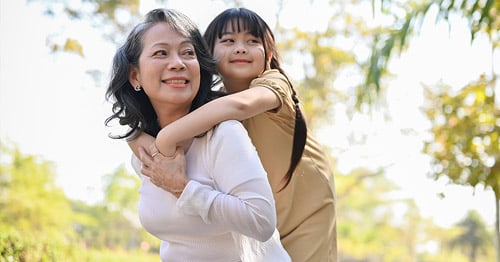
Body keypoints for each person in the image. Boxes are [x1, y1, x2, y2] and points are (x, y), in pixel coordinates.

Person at [130, 7, 337, 261]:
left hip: (307, 207)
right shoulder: (210, 107)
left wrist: (165, 139)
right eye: (228, 41)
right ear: (208, 54)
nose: (241, 48)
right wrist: (135, 136)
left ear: (269, 54)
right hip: (269, 205)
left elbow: (239, 106)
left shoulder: (273, 83)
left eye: (252, 41)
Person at [104, 8, 291, 261]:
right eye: (161, 53)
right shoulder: (143, 152)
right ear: (135, 75)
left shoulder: (224, 134)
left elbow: (261, 221)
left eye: (187, 53)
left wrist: (183, 189)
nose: (178, 63)